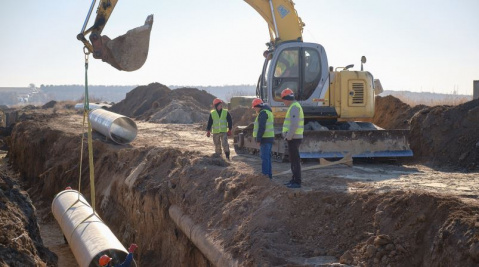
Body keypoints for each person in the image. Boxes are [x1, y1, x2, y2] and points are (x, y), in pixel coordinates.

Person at [280, 88, 304, 188]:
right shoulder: (294, 106)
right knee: (293, 160)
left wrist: (288, 136)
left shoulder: (294, 107)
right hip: (293, 137)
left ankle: (297, 182)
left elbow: (294, 124)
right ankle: (294, 179)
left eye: (283, 100)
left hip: (294, 138)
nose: (283, 102)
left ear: (287, 98)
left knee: (295, 160)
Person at [252, 98, 275, 179]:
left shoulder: (263, 113)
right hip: (269, 138)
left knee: (264, 158)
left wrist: (258, 139)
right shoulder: (268, 112)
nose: (254, 109)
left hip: (265, 139)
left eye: (254, 107)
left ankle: (265, 176)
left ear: (258, 106)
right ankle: (269, 175)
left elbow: (262, 127)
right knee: (267, 158)